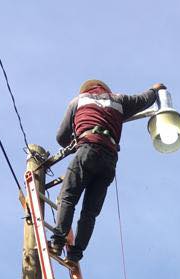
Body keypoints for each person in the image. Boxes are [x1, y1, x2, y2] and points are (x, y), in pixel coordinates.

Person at [48, 79, 165, 263]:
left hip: (87, 149)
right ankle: (75, 254)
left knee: (68, 196)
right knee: (90, 211)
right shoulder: (119, 100)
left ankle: (57, 241)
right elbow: (145, 99)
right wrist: (155, 89)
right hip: (109, 160)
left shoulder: (78, 100)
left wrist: (74, 140)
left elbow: (61, 137)